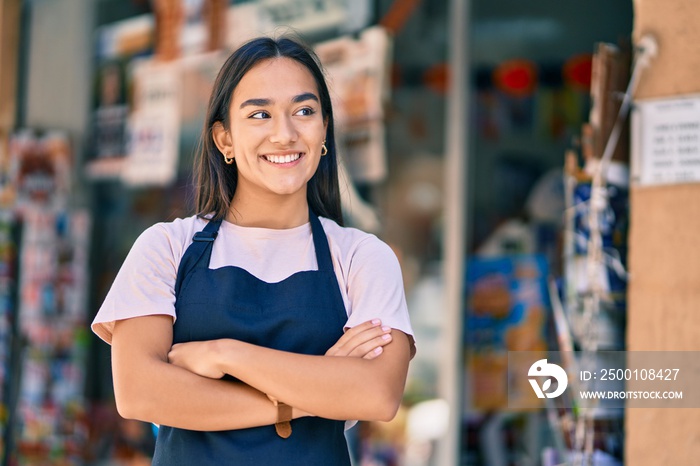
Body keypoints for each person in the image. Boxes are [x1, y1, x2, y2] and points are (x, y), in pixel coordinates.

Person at [91, 35, 415, 465]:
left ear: (323, 131)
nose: (284, 134)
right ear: (224, 139)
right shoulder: (167, 248)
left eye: (304, 111)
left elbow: (376, 393)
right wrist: (304, 398)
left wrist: (224, 354)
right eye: (260, 114)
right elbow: (139, 393)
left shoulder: (362, 257)